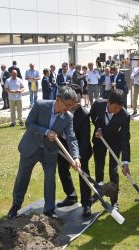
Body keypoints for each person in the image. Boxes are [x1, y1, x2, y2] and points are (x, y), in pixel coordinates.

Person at [7, 86, 81, 219]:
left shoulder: (68, 117)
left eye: (72, 106)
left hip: (50, 151)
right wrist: (46, 132)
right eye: (68, 105)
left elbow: (71, 137)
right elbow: (29, 124)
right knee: (23, 176)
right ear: (58, 100)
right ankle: (16, 206)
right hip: (31, 147)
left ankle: (49, 209)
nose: (69, 108)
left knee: (50, 179)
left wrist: (75, 157)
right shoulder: (40, 105)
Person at [90, 89, 131, 211]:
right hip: (99, 140)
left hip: (114, 143)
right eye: (115, 107)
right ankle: (98, 192)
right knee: (99, 167)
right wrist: (98, 128)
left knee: (113, 171)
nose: (117, 110)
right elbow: (93, 117)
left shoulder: (124, 115)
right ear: (108, 102)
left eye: (120, 108)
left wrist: (125, 162)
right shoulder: (97, 104)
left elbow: (125, 138)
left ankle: (114, 201)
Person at [57, 84, 93, 217]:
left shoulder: (83, 114)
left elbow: (84, 139)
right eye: (73, 102)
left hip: (81, 148)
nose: (76, 105)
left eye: (78, 102)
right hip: (63, 145)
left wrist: (77, 158)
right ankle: (71, 196)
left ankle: (86, 203)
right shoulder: (61, 109)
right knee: (62, 169)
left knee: (83, 173)